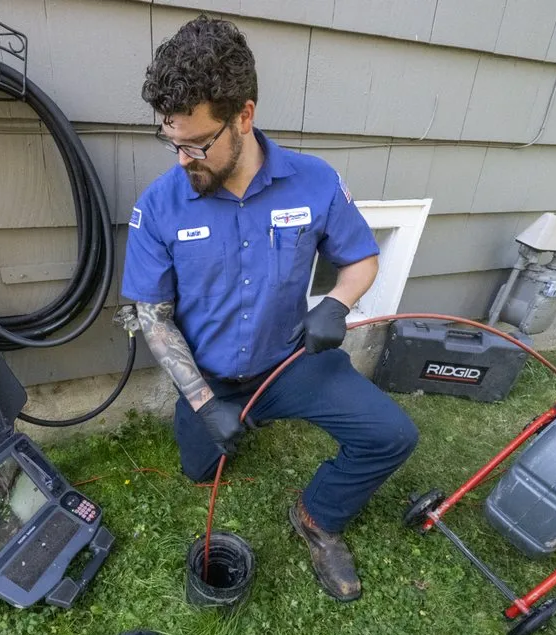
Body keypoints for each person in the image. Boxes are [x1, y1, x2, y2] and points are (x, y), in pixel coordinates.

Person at [121, 16, 418, 601]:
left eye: (197, 144)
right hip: (210, 377)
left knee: (392, 436)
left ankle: (317, 518)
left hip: (291, 363)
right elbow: (151, 316)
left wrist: (336, 303)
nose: (183, 158)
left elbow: (361, 260)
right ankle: (222, 427)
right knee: (199, 469)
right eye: (171, 141)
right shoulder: (159, 205)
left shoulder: (315, 181)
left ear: (244, 117)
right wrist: (204, 403)